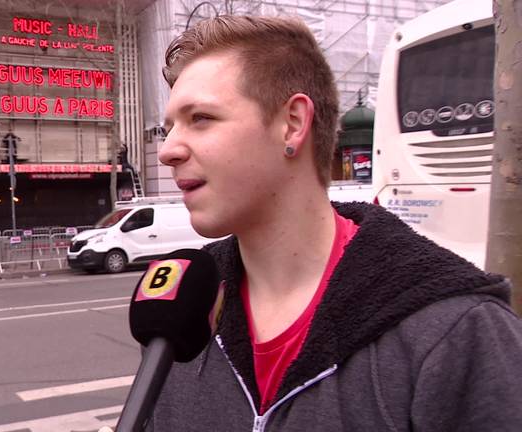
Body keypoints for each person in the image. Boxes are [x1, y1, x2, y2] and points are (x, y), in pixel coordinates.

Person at [144, 15, 522, 431]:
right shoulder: (182, 308)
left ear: (292, 123)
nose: (168, 150)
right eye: (168, 128)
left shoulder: (458, 331)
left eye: (200, 118)